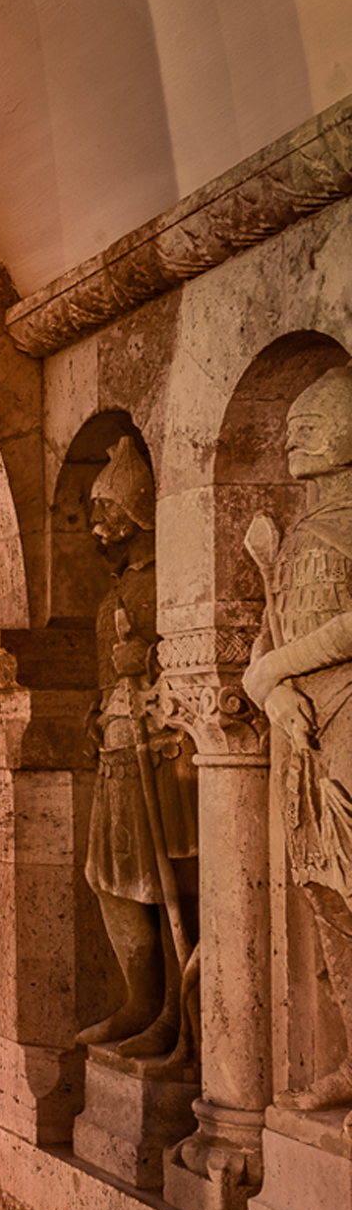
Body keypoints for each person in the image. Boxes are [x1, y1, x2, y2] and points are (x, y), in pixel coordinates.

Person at [244, 365, 352, 1110]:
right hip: (299, 733)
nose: (293, 437)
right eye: (291, 427)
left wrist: (276, 670)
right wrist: (272, 690)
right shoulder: (289, 541)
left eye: (311, 426)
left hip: (346, 719)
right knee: (325, 897)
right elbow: (267, 634)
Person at [76, 437, 198, 1065]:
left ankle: (179, 1013)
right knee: (111, 881)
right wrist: (96, 713)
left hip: (167, 750)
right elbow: (107, 675)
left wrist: (149, 656)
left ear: (137, 512)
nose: (96, 526)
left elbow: (206, 650)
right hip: (119, 750)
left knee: (175, 885)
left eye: (106, 511)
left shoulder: (173, 576)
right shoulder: (114, 590)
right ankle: (139, 1001)